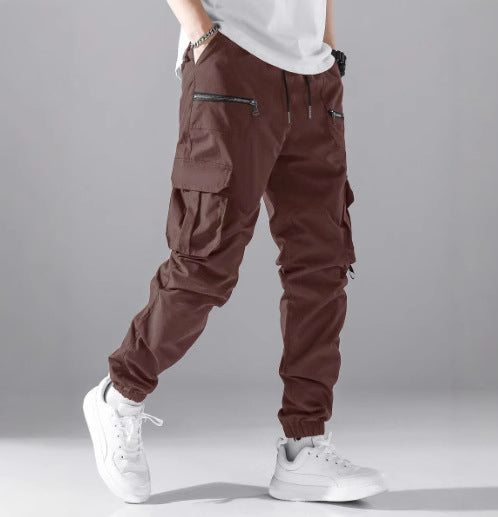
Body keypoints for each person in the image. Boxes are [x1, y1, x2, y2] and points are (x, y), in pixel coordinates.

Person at [83, 0, 387, 504]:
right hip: (233, 62)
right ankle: (121, 394)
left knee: (322, 268)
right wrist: (203, 36)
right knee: (205, 262)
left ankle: (304, 446)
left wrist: (327, 51)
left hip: (314, 78)